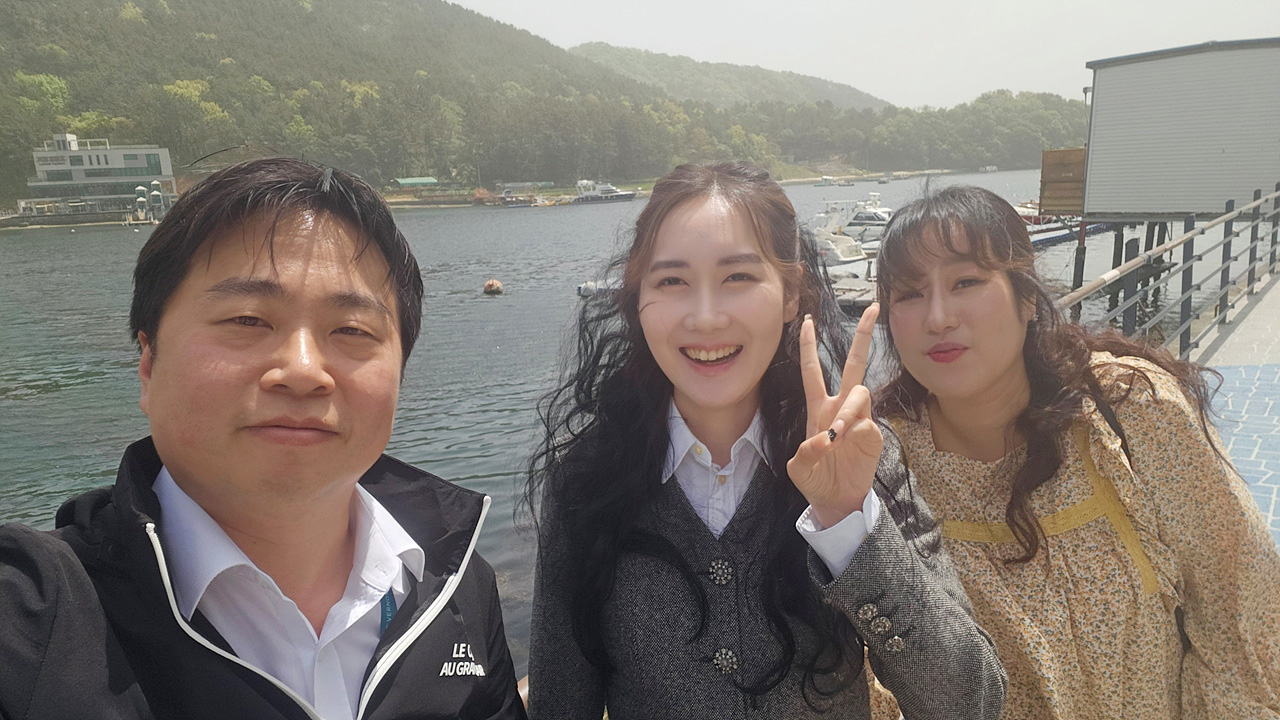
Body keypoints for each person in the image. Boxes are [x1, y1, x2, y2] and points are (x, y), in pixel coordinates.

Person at [0, 158, 526, 720]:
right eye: (247, 320)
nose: (303, 370)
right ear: (149, 364)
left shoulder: (455, 583)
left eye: (352, 330)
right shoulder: (32, 617)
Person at [525, 162, 1007, 719]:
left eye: (738, 277)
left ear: (790, 293)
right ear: (638, 299)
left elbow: (971, 703)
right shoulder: (588, 480)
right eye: (672, 282)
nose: (706, 318)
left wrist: (848, 523)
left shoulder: (860, 456)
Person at [873, 184, 1280, 718]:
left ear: (1026, 299)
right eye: (908, 294)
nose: (938, 317)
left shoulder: (1128, 412)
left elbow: (1241, 615)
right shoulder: (883, 465)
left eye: (966, 282)